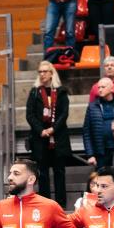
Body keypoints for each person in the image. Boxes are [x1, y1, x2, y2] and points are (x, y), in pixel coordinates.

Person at [26, 60, 70, 204]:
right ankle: (45, 204)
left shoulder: (61, 91)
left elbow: (64, 114)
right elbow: (30, 115)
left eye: (45, 71)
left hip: (58, 137)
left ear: (52, 73)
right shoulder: (34, 92)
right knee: (43, 174)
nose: (42, 74)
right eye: (40, 72)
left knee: (59, 172)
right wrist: (41, 130)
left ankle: (61, 205)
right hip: (40, 139)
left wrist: (53, 129)